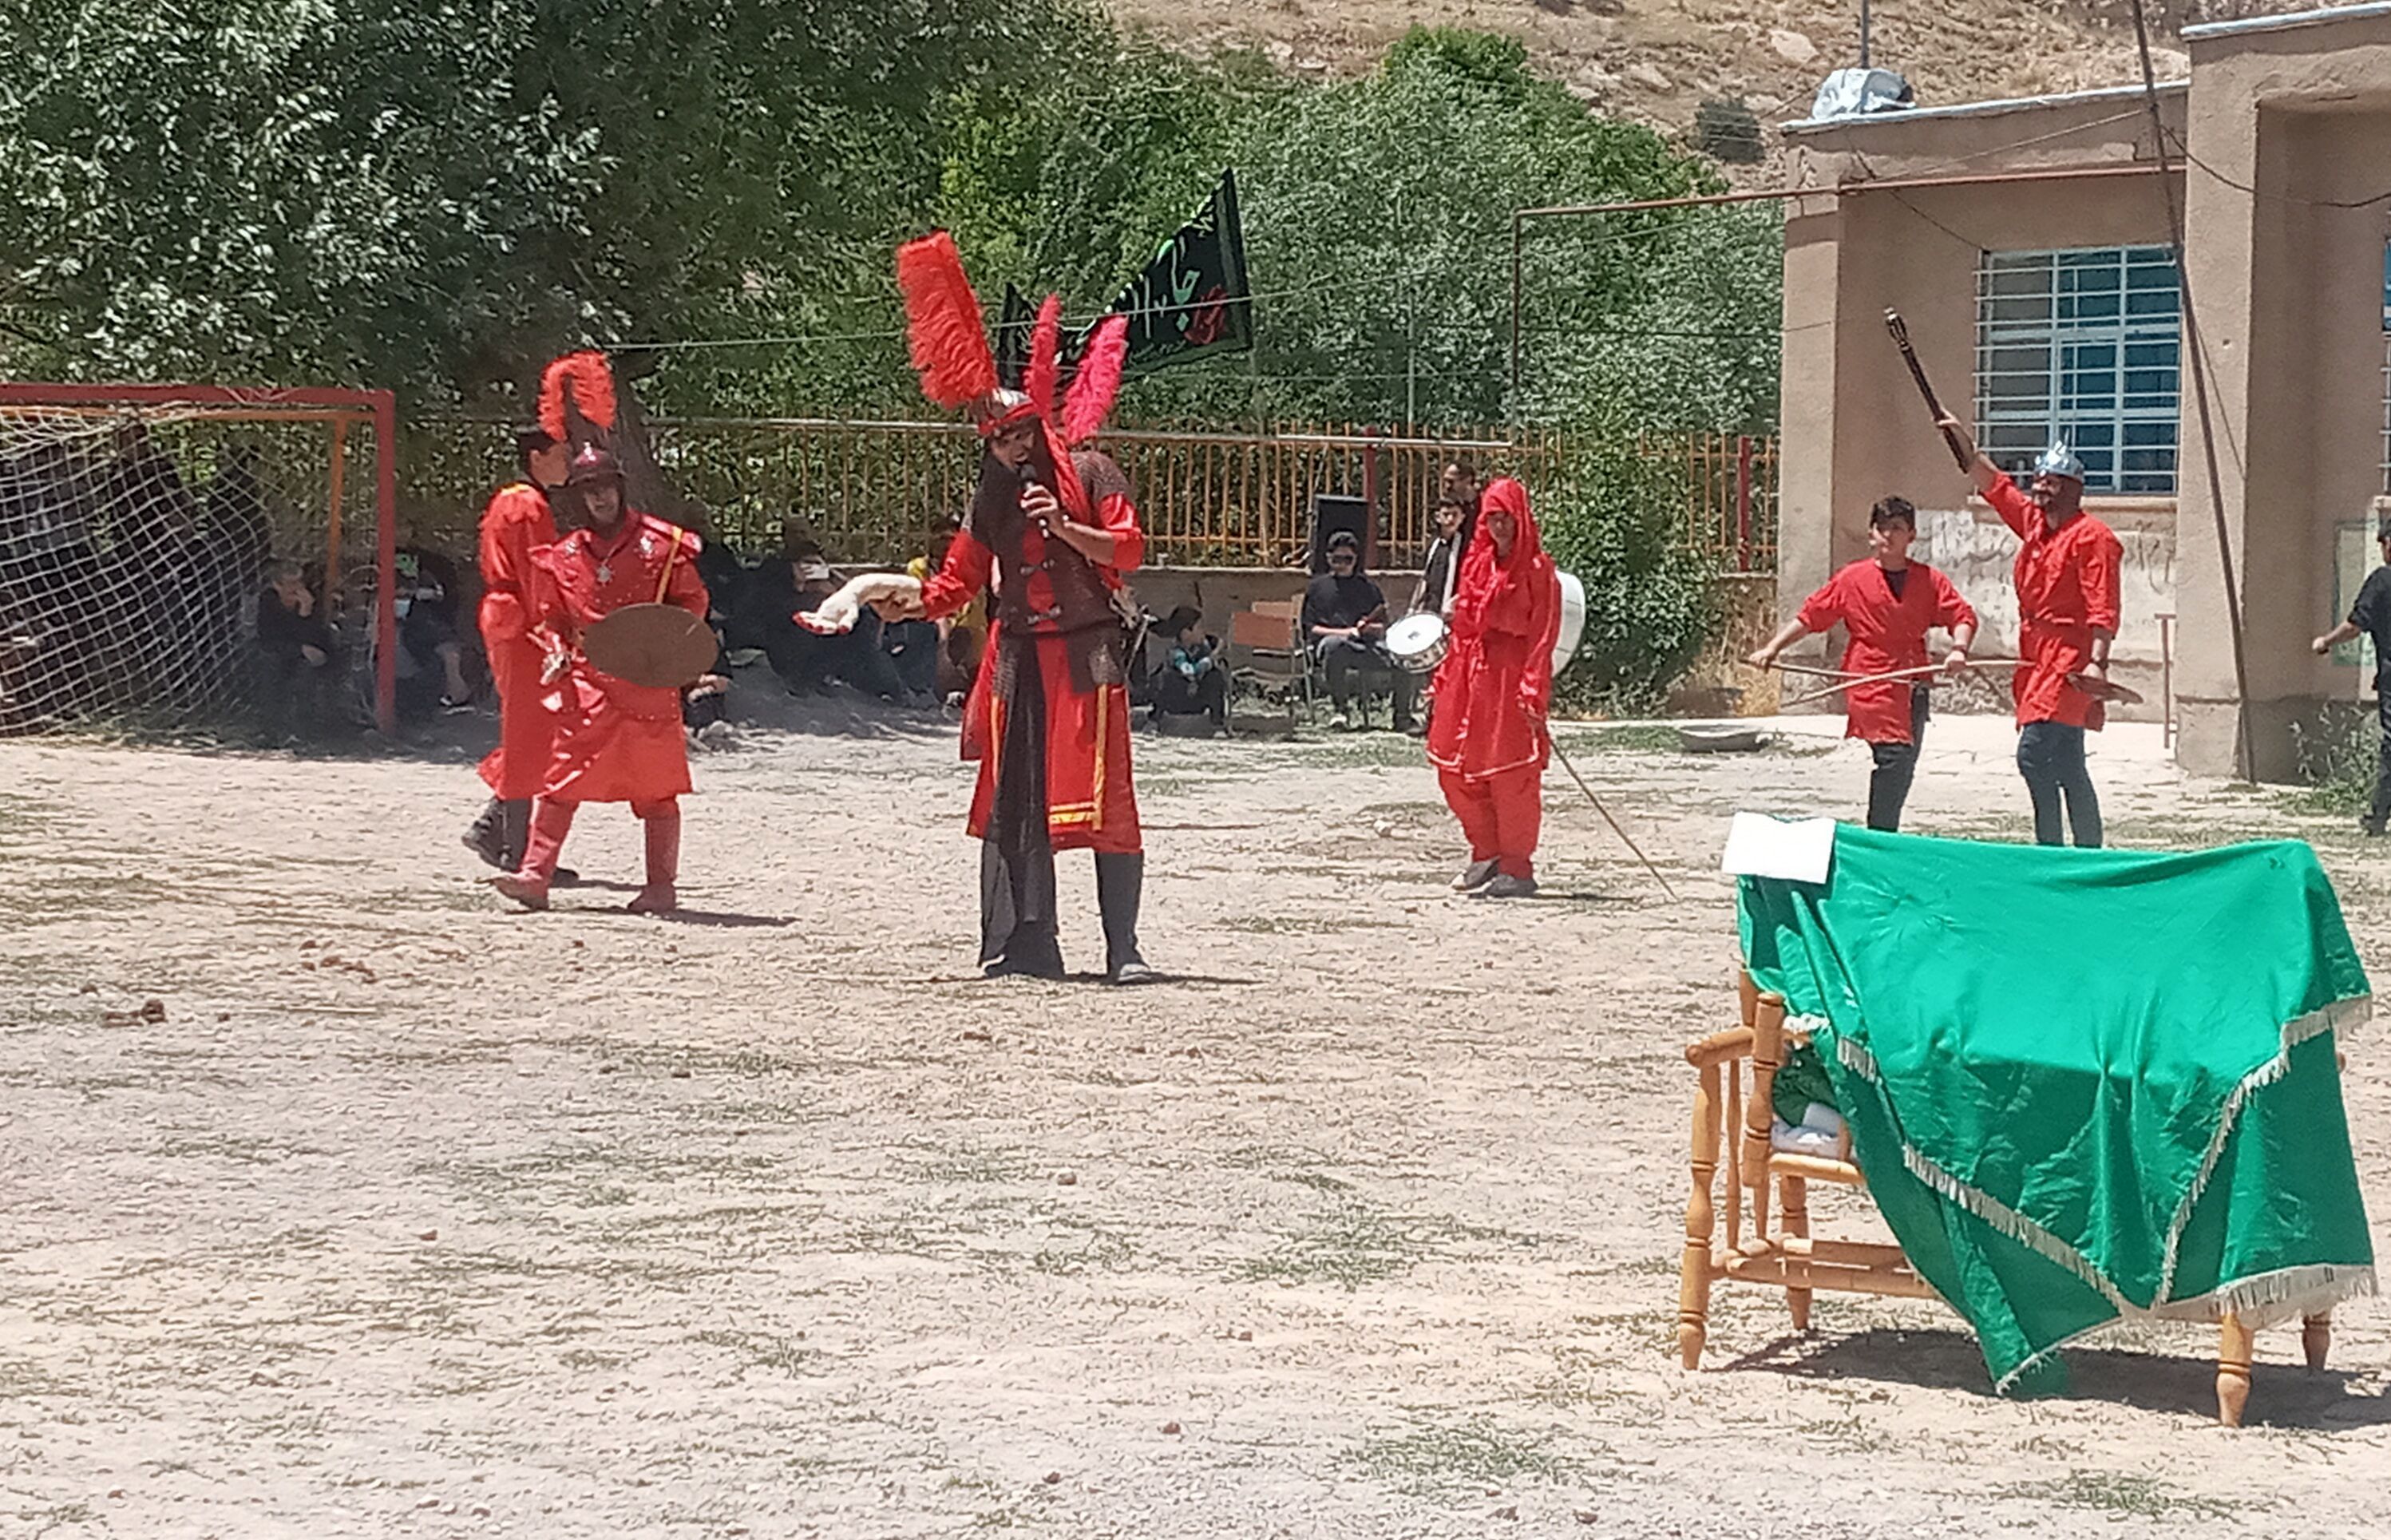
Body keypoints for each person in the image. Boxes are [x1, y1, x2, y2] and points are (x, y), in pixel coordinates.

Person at [873, 232, 1152, 983]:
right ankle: (1031, 943)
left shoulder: (1091, 469)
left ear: (1037, 426)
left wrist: (1067, 527)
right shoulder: (991, 496)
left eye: (1020, 434)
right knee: (1018, 803)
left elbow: (1127, 548)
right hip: (1018, 658)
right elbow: (959, 577)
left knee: (1102, 803)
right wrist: (908, 601)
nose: (1011, 451)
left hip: (1087, 653)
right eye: (998, 442)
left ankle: (1123, 948)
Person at [491, 440, 709, 913]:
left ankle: (660, 888)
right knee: (560, 780)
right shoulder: (564, 555)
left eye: (606, 488)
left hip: (646, 681)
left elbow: (691, 604)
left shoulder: (663, 544)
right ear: (578, 498)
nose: (600, 499)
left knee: (656, 789)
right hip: (587, 681)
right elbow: (552, 618)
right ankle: (535, 875)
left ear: (620, 488)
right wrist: (554, 650)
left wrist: (666, 650)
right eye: (589, 491)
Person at [1938, 418, 2122, 847]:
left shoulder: (2093, 538)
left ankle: (2055, 847)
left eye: (2052, 484)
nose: (2041, 491)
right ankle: (2077, 853)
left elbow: (2103, 604)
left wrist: (2097, 662)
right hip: (2036, 655)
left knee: (2035, 755)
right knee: (2069, 762)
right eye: (2038, 483)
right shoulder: (2036, 527)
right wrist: (1961, 440)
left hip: (2071, 658)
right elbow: (1997, 487)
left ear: (2072, 489)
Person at [1748, 496, 1979, 832]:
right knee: (1894, 757)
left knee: (1904, 764)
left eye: (1897, 528)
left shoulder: (1928, 580)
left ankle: (1885, 830)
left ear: (1911, 535)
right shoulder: (1852, 579)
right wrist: (1773, 648)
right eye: (1881, 528)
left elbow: (1962, 615)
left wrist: (1959, 649)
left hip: (1912, 679)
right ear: (1871, 535)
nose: (1888, 535)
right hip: (1870, 677)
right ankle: (1881, 835)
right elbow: (1812, 616)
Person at [1427, 477, 1559, 898]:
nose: (1500, 527)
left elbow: (1543, 634)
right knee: (1453, 767)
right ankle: (1486, 852)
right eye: (1492, 518)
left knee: (1511, 776)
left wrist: (1532, 687)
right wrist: (1445, 675)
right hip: (1469, 674)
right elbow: (1463, 627)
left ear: (1521, 519)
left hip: (1510, 677)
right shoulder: (1477, 563)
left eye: (1507, 518)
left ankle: (1517, 866)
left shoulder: (1539, 571)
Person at [461, 414, 571, 873]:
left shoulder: (509, 500)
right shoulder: (528, 506)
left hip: (507, 616)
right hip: (521, 619)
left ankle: (495, 827)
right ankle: (516, 847)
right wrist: (555, 628)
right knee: (531, 731)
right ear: (537, 457)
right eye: (562, 455)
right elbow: (538, 574)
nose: (569, 463)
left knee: (530, 729)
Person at [2310, 504, 2391, 834]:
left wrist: (2325, 642)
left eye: (2383, 544)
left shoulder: (2383, 581)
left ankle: (2377, 817)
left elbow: (2355, 625)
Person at [1302, 530, 1415, 732]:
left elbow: (1383, 627)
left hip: (1365, 646)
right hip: (1332, 646)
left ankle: (1402, 716)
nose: (1342, 563)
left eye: (1347, 559)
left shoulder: (1368, 588)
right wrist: (1345, 633)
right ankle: (1340, 711)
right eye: (1337, 558)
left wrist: (1370, 628)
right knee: (1333, 646)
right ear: (1328, 558)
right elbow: (1310, 627)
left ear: (1355, 559)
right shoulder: (1318, 587)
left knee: (1402, 655)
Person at [252, 560, 341, 739]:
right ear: (278, 585)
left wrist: (305, 613)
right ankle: (271, 729)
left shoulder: (312, 600)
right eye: (291, 584)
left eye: (300, 582)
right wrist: (298, 649)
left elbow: (318, 639)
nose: (297, 588)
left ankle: (303, 731)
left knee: (307, 672)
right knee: (270, 664)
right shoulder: (268, 602)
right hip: (280, 652)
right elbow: (268, 638)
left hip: (310, 654)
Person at [1154, 605, 1228, 731]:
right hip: (1178, 699)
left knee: (1215, 676)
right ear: (1186, 633)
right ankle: (1155, 720)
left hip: (1198, 699)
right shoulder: (1176, 652)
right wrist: (1211, 658)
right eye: (1199, 628)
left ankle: (1217, 723)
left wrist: (1218, 648)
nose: (1203, 631)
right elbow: (1190, 671)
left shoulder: (1202, 647)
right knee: (1164, 676)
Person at [1411, 495, 1469, 619]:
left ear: (1462, 518)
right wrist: (1413, 608)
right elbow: (1425, 579)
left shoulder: (1467, 547)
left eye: (1455, 514)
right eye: (1446, 514)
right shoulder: (1433, 545)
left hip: (1454, 614)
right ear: (1438, 517)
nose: (1451, 519)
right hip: (1430, 613)